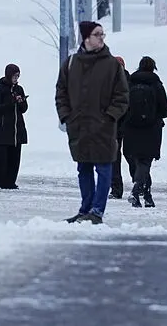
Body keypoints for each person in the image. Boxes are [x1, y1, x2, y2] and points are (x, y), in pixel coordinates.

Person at [56, 21, 129, 225]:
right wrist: (66, 116)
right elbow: (61, 92)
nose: (102, 38)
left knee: (104, 168)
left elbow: (122, 96)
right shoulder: (71, 63)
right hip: (79, 126)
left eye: (102, 34)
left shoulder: (112, 65)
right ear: (86, 37)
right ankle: (85, 208)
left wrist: (109, 117)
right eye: (98, 34)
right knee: (83, 168)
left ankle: (97, 210)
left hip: (103, 128)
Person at [122, 56, 167, 208]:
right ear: (153, 68)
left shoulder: (130, 83)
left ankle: (146, 195)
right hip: (151, 130)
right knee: (145, 162)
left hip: (131, 129)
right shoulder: (156, 84)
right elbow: (165, 111)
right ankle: (137, 191)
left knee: (136, 161)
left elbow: (123, 105)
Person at [0, 63, 28, 190]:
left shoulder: (19, 89)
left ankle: (9, 181)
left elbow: (24, 109)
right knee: (0, 157)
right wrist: (11, 103)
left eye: (18, 76)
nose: (16, 79)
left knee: (14, 158)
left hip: (17, 130)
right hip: (3, 129)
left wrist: (21, 101)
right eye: (14, 76)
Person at [110, 56, 130, 200]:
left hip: (127, 125)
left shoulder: (130, 81)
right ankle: (116, 189)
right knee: (114, 159)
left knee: (131, 156)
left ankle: (140, 183)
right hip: (113, 126)